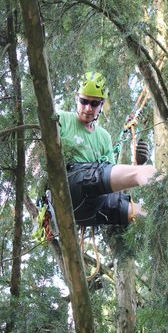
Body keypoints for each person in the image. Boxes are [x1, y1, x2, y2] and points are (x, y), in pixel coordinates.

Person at [58, 71, 156, 227]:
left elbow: (112, 183)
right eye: (84, 101)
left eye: (94, 103)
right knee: (146, 172)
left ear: (102, 104)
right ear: (77, 98)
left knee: (145, 213)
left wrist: (137, 164)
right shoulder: (62, 119)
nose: (88, 108)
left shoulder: (104, 137)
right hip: (69, 186)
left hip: (93, 206)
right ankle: (164, 187)